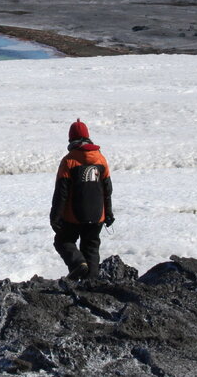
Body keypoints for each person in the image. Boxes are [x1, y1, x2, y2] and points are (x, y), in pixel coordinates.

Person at [50, 119, 114, 279]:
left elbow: (61, 192)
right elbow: (107, 189)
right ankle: (91, 283)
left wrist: (55, 217)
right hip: (97, 215)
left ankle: (78, 265)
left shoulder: (69, 160)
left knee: (63, 241)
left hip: (73, 217)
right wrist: (109, 213)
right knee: (91, 247)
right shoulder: (100, 159)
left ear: (71, 139)